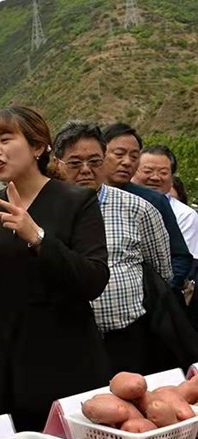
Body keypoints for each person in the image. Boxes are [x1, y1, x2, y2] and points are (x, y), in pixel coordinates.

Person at [0, 106, 110, 432]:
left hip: (61, 356)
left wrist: (37, 237)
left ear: (38, 146)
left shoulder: (77, 201)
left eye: (5, 139)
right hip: (0, 359)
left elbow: (93, 279)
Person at [54, 122, 172, 375]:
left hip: (127, 336)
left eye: (95, 161)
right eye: (75, 163)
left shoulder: (138, 208)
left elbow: (161, 270)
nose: (86, 170)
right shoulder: (46, 207)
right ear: (57, 163)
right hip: (65, 339)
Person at [102, 123, 192, 290]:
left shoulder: (152, 201)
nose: (127, 162)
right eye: (119, 154)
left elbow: (179, 257)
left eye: (134, 156)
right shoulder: (78, 195)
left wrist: (162, 292)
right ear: (100, 153)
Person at [133, 145, 198, 258]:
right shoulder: (118, 202)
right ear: (133, 172)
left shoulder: (185, 215)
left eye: (163, 173)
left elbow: (184, 260)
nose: (155, 177)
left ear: (172, 178)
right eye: (148, 171)